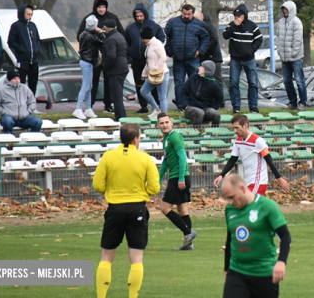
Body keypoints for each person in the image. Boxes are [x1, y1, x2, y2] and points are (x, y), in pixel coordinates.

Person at [92, 123, 160, 298]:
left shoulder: (108, 157)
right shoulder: (145, 159)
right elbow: (154, 188)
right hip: (137, 208)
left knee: (106, 257)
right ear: (136, 139)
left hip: (115, 210)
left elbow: (98, 185)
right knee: (136, 259)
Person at [220, 173, 291, 298]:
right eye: (227, 199)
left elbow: (285, 236)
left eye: (232, 197)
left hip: (264, 272)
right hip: (237, 271)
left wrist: (281, 262)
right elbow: (230, 239)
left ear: (242, 189)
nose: (231, 202)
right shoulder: (230, 210)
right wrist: (227, 270)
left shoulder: (267, 206)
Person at [214, 114, 290, 194]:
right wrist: (221, 175)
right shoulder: (238, 140)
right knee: (256, 205)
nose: (235, 131)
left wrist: (279, 178)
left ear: (245, 126)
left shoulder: (257, 140)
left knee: (247, 203)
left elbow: (269, 160)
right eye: (234, 128)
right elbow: (232, 159)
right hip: (248, 181)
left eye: (237, 128)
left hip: (258, 181)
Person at [156, 114, 197, 251]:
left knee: (164, 208)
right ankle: (188, 244)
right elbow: (165, 161)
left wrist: (180, 178)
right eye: (161, 123)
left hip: (179, 178)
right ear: (158, 126)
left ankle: (188, 233)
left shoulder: (174, 136)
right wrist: (159, 178)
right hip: (178, 177)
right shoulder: (166, 139)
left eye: (167, 122)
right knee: (182, 210)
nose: (164, 125)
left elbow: (182, 157)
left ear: (172, 123)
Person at [77, 0, 124, 112]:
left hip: (109, 54)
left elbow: (121, 34)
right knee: (93, 81)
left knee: (109, 80)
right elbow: (80, 36)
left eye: (103, 7)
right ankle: (90, 105)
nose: (102, 9)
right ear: (95, 7)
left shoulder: (113, 18)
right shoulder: (89, 19)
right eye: (99, 7)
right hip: (94, 56)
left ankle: (108, 104)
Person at [165, 4, 210, 111]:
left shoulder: (199, 24)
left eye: (188, 14)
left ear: (192, 14)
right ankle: (180, 105)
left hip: (193, 58)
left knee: (195, 82)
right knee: (179, 83)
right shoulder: (173, 23)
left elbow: (205, 38)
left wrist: (200, 51)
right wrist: (170, 52)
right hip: (178, 59)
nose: (186, 16)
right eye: (184, 14)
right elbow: (167, 38)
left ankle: (194, 104)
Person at [125, 3, 166, 114]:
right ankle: (143, 106)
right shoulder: (131, 28)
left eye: (141, 16)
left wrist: (156, 48)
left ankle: (156, 105)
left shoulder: (154, 26)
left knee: (154, 82)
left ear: (145, 15)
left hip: (151, 60)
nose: (139, 18)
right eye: (137, 16)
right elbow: (126, 41)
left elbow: (162, 38)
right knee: (139, 83)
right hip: (136, 60)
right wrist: (130, 51)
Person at [222, 4, 262, 113]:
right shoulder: (231, 25)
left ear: (244, 15)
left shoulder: (252, 26)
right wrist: (234, 26)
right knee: (233, 83)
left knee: (253, 83)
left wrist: (251, 50)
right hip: (235, 60)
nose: (237, 17)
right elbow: (225, 35)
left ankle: (253, 106)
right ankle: (236, 106)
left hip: (249, 59)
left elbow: (259, 39)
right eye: (235, 15)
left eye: (239, 15)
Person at [0, 70, 42, 134]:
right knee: (7, 121)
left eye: (18, 78)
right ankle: (9, 141)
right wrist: (4, 113)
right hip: (8, 117)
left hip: (24, 117)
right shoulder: (0, 89)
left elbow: (32, 102)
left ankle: (32, 140)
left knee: (38, 121)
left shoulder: (25, 88)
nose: (17, 80)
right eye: (14, 78)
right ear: (9, 79)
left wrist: (28, 111)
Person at [277, 1, 307, 110]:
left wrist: (293, 53)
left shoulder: (297, 22)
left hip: (296, 58)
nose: (285, 11)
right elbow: (277, 37)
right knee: (287, 81)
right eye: (283, 9)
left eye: (286, 9)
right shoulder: (280, 22)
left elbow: (298, 40)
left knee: (299, 81)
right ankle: (293, 103)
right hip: (284, 58)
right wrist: (280, 51)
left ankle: (303, 102)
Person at [74, 15, 105, 120]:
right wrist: (101, 32)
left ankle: (88, 108)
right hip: (87, 62)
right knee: (86, 86)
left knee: (90, 86)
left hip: (86, 61)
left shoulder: (83, 34)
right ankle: (78, 108)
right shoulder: (91, 37)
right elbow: (103, 42)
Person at [7, 4, 40, 94]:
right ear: (22, 14)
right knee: (20, 84)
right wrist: (22, 49)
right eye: (28, 14)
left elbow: (37, 39)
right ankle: (21, 104)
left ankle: (31, 104)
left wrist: (36, 49)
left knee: (33, 84)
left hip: (34, 61)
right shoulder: (16, 26)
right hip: (22, 61)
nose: (30, 17)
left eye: (31, 14)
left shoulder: (33, 26)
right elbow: (11, 41)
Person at [182, 61, 224, 129]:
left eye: (201, 67)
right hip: (191, 108)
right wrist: (185, 105)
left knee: (216, 114)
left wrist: (213, 108)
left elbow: (220, 98)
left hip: (206, 109)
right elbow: (183, 92)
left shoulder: (213, 84)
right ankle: (196, 137)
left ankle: (215, 135)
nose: (198, 68)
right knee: (199, 112)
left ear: (207, 70)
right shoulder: (193, 78)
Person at [101, 19, 129, 121]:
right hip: (123, 68)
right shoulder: (120, 36)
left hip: (115, 70)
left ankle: (120, 117)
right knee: (118, 95)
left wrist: (105, 66)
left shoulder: (110, 39)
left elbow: (111, 56)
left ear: (106, 29)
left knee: (116, 96)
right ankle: (122, 116)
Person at [139, 27, 169, 120]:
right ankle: (157, 109)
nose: (142, 40)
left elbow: (163, 57)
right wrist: (144, 73)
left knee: (162, 97)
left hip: (161, 74)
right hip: (152, 75)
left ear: (147, 37)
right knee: (143, 91)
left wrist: (157, 68)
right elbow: (149, 61)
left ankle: (164, 117)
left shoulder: (157, 44)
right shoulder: (149, 45)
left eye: (143, 38)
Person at [194, 12, 224, 89]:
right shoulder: (199, 28)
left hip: (213, 57)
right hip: (205, 57)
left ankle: (220, 100)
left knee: (217, 80)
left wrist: (203, 49)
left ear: (202, 18)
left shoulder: (209, 26)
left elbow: (214, 39)